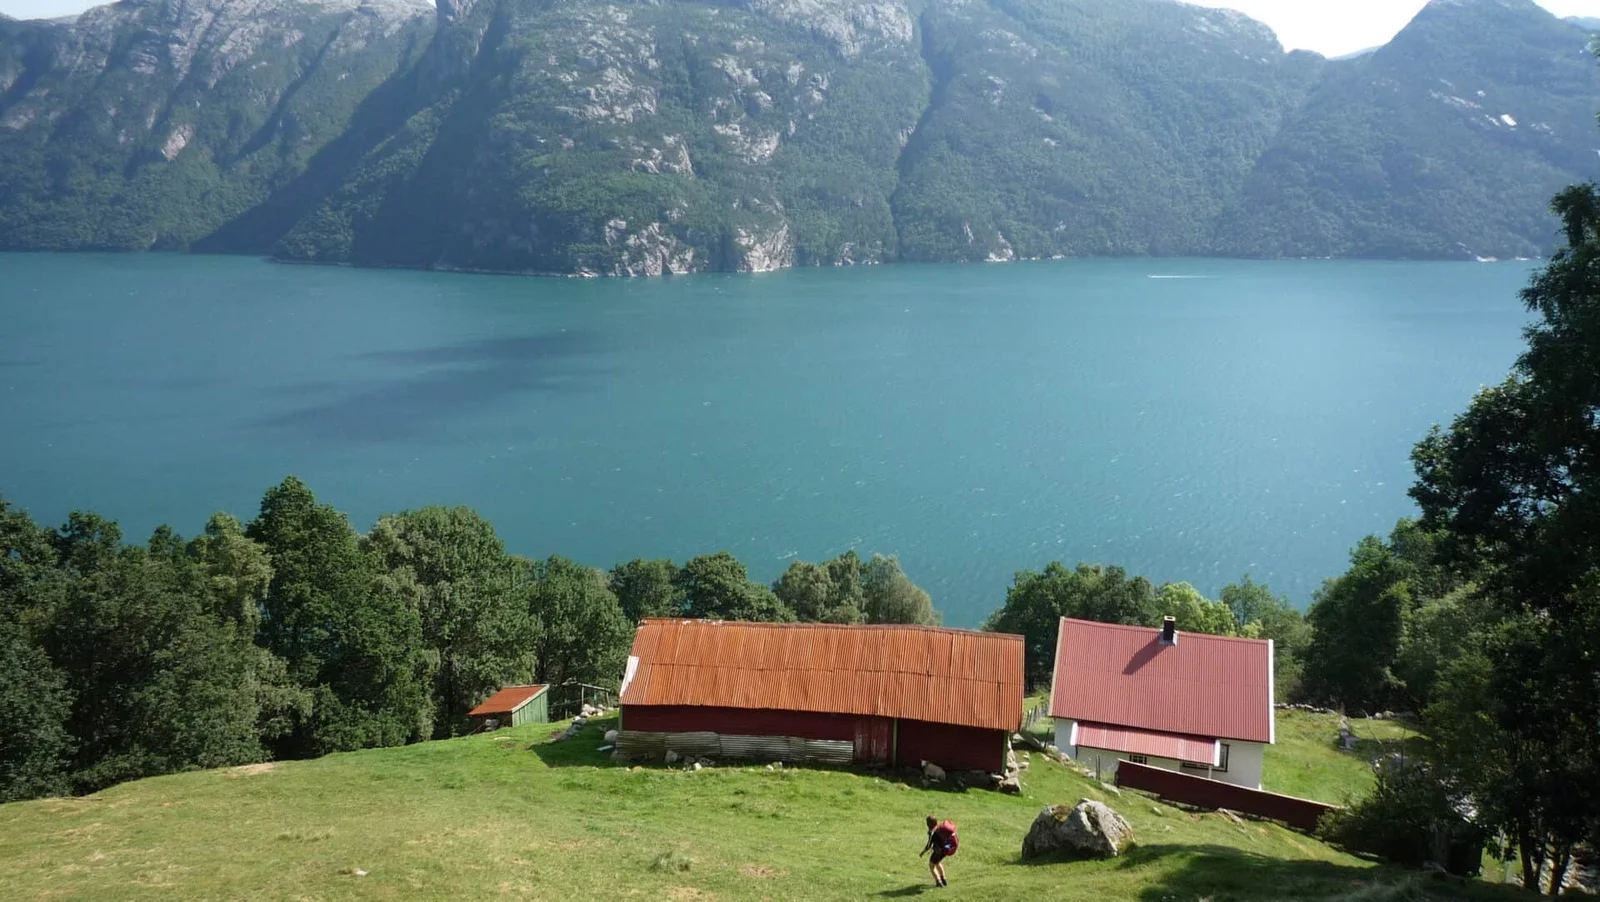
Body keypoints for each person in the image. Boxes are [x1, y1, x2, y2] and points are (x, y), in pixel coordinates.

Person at [920, 815, 958, 887]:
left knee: (932, 865)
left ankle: (938, 882)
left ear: (928, 825)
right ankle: (944, 879)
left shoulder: (932, 833)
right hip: (945, 850)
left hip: (938, 851)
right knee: (937, 862)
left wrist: (923, 852)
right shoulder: (940, 828)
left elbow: (929, 845)